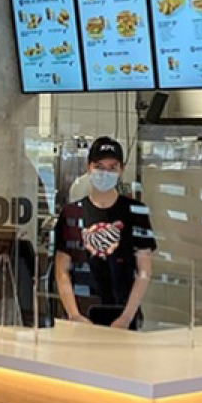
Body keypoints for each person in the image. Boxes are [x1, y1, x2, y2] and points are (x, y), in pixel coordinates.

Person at [54, 136, 156, 329]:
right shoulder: (71, 214)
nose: (105, 173)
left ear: (121, 170)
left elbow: (144, 271)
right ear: (89, 167)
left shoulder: (136, 212)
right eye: (99, 166)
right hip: (82, 313)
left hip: (124, 312)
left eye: (112, 167)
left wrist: (126, 318)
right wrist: (74, 315)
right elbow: (62, 271)